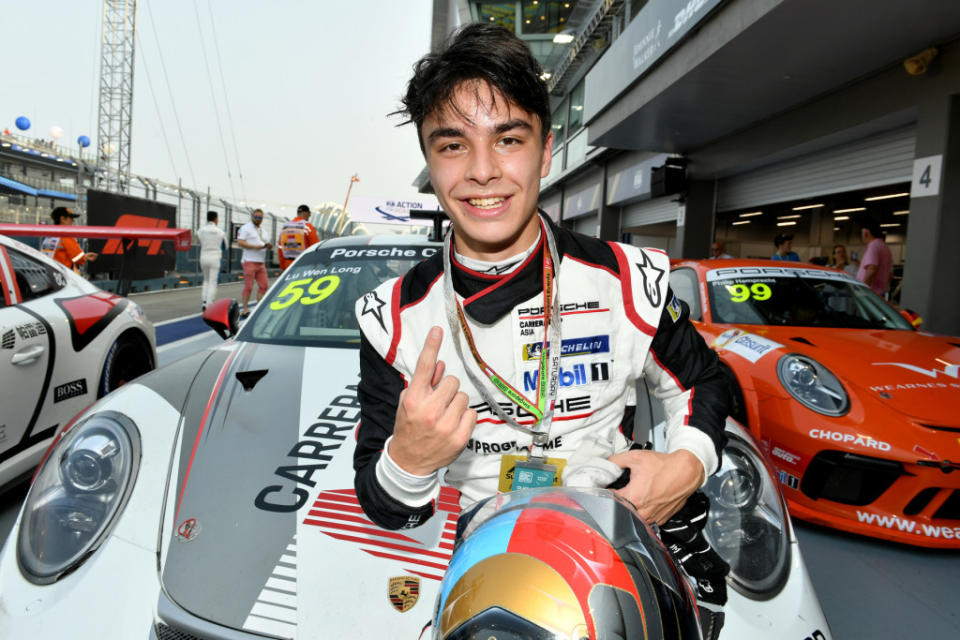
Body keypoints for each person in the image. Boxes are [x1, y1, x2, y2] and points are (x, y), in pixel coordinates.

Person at [353, 24, 728, 542]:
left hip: (613, 524)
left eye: (508, 139)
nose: (482, 172)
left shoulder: (627, 280)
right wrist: (408, 462)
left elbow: (702, 380)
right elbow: (390, 510)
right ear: (429, 162)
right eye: (453, 145)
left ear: (546, 151)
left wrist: (687, 465)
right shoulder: (391, 318)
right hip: (481, 546)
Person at [236, 208, 272, 318]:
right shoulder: (246, 228)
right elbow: (240, 242)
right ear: (252, 217)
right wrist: (255, 247)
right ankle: (245, 309)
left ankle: (259, 307)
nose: (258, 219)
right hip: (249, 260)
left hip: (261, 262)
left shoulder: (263, 230)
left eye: (260, 218)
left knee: (264, 285)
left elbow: (265, 243)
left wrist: (268, 246)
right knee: (249, 286)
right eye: (256, 217)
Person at [41, 206, 97, 272]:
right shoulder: (66, 235)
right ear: (62, 219)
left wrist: (85, 256)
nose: (73, 222)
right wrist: (83, 258)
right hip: (64, 276)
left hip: (49, 273)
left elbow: (60, 253)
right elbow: (78, 259)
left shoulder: (49, 234)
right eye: (71, 219)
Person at [197, 210, 226, 311]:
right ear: (216, 219)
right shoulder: (220, 232)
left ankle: (204, 302)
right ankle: (209, 304)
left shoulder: (200, 231)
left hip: (204, 257)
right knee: (213, 281)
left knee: (206, 280)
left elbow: (199, 240)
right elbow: (225, 246)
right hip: (215, 257)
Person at [856, 218, 892, 296]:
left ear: (866, 233)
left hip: (869, 293)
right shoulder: (884, 246)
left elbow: (872, 268)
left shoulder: (873, 246)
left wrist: (862, 289)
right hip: (878, 293)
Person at [278, 204, 319, 270]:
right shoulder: (307, 227)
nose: (309, 217)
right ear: (306, 213)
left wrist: (283, 266)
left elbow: (280, 248)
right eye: (309, 215)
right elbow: (315, 247)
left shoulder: (285, 227)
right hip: (304, 265)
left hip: (288, 264)